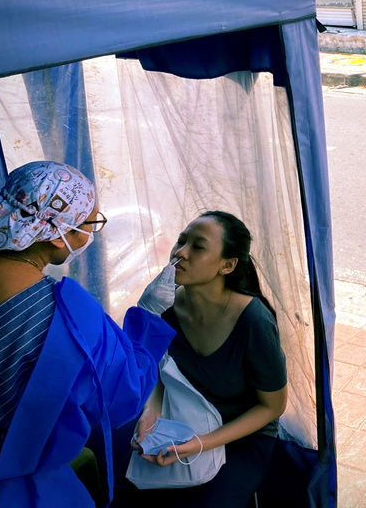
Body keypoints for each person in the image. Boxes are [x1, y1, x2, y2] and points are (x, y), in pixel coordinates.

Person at [0, 161, 174, 508]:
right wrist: (149, 316)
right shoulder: (69, 314)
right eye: (90, 222)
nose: (91, 233)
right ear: (57, 232)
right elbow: (120, 396)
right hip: (7, 486)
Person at [119, 211, 287, 508]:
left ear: (228, 265)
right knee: (126, 487)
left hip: (239, 436)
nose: (180, 252)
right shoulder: (165, 304)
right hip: (182, 417)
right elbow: (159, 371)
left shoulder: (253, 321)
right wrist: (152, 410)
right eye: (181, 241)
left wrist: (200, 443)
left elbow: (272, 406)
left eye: (198, 246)